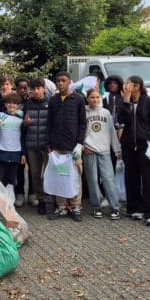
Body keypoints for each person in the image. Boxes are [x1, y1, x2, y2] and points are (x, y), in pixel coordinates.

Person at [117, 75, 150, 226]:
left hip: (146, 146)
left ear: (137, 86)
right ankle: (134, 208)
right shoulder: (125, 102)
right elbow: (121, 120)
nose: (125, 86)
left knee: (149, 179)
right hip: (129, 145)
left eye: (128, 84)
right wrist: (125, 101)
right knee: (131, 177)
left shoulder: (149, 102)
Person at [47, 71, 87, 222]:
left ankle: (76, 207)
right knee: (60, 177)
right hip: (57, 147)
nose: (60, 83)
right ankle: (61, 207)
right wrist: (50, 144)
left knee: (75, 178)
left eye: (63, 80)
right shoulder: (53, 101)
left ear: (69, 82)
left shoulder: (78, 99)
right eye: (58, 81)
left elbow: (83, 123)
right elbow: (49, 124)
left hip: (73, 148)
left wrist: (80, 143)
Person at [83, 88, 122, 220]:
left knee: (108, 179)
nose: (95, 99)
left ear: (100, 98)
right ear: (87, 98)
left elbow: (112, 132)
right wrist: (83, 146)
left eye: (97, 97)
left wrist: (117, 149)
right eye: (92, 97)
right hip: (89, 149)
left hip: (104, 150)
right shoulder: (84, 112)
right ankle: (96, 206)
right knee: (92, 180)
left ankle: (115, 207)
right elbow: (80, 131)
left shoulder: (106, 113)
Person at [23, 78, 50, 214]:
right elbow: (21, 126)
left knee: (49, 173)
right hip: (32, 145)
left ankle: (53, 199)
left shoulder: (50, 103)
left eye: (39, 88)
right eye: (33, 89)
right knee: (35, 174)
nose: (36, 91)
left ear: (44, 89)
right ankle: (41, 200)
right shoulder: (27, 105)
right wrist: (25, 124)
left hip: (47, 145)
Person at [0, 92, 26, 189]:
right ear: (5, 104)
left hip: (15, 153)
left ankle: (9, 202)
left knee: (11, 180)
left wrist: (23, 154)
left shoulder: (21, 118)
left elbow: (23, 137)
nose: (11, 105)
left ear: (18, 105)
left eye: (14, 103)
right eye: (9, 103)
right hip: (1, 153)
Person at [13, 77, 31, 206]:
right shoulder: (13, 102)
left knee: (33, 169)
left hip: (30, 138)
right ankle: (19, 193)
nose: (23, 90)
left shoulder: (31, 101)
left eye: (25, 88)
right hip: (17, 138)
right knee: (19, 168)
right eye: (20, 88)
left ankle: (31, 193)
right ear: (17, 88)